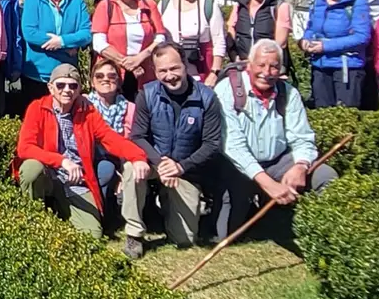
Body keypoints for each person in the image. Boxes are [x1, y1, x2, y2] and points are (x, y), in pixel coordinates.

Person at [14, 62, 149, 242]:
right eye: (60, 85)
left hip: (76, 180)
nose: (67, 90)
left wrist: (138, 157)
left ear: (79, 89)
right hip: (48, 173)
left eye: (73, 86)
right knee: (31, 168)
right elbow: (24, 148)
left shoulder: (87, 111)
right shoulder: (37, 108)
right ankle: (33, 218)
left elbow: (111, 138)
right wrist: (61, 161)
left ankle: (60, 209)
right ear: (50, 87)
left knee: (92, 236)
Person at [216, 40, 338, 238]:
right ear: (249, 65)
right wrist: (267, 183)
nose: (267, 72)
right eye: (261, 65)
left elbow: (302, 137)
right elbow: (233, 147)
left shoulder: (289, 93)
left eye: (274, 66)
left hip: (277, 160)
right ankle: (256, 204)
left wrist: (300, 166)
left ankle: (325, 235)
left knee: (326, 176)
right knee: (227, 235)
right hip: (237, 167)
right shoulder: (226, 91)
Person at [143, 43, 225, 248]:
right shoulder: (147, 93)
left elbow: (212, 144)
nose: (169, 75)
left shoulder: (207, 98)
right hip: (157, 163)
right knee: (130, 169)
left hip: (186, 170)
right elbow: (137, 136)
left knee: (185, 240)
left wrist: (180, 167)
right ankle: (134, 233)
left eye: (174, 68)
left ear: (185, 65)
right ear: (155, 71)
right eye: (162, 71)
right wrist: (160, 162)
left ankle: (167, 203)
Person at [83, 56, 163, 259]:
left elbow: (134, 140)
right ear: (92, 81)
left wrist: (123, 168)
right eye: (99, 76)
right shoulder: (83, 105)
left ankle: (129, 228)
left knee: (127, 170)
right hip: (91, 157)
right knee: (105, 170)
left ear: (119, 81)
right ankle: (99, 217)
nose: (105, 79)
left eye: (112, 76)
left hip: (121, 157)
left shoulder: (130, 107)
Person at [20, 0, 91, 112]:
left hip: (66, 75)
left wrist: (63, 41)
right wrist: (67, 46)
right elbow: (30, 33)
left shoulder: (77, 1)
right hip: (37, 75)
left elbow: (86, 33)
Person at [300, 0, 372, 110]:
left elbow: (362, 37)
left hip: (347, 67)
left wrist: (325, 46)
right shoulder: (318, 0)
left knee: (345, 117)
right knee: (322, 114)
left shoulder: (357, 1)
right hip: (320, 66)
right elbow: (312, 28)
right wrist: (306, 40)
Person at [94, 0, 167, 89]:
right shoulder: (105, 6)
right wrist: (127, 63)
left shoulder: (149, 4)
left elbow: (160, 37)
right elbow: (99, 43)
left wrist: (140, 57)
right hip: (113, 72)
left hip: (145, 70)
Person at [159, 0, 226, 85]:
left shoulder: (209, 5)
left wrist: (214, 72)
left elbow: (219, 41)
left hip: (201, 70)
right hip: (171, 72)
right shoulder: (163, 5)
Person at [224, 0, 291, 63]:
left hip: (268, 65)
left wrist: (261, 62)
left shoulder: (279, 6)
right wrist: (234, 56)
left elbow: (280, 43)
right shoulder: (240, 5)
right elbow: (231, 31)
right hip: (242, 63)